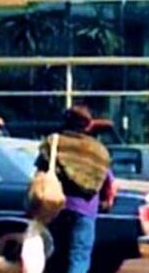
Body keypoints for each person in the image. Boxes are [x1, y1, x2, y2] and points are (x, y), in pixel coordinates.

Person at [39, 105, 114, 273]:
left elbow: (40, 172)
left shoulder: (53, 142)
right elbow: (109, 184)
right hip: (86, 210)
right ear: (88, 125)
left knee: (53, 256)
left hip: (54, 207)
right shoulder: (98, 150)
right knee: (79, 256)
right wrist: (106, 202)